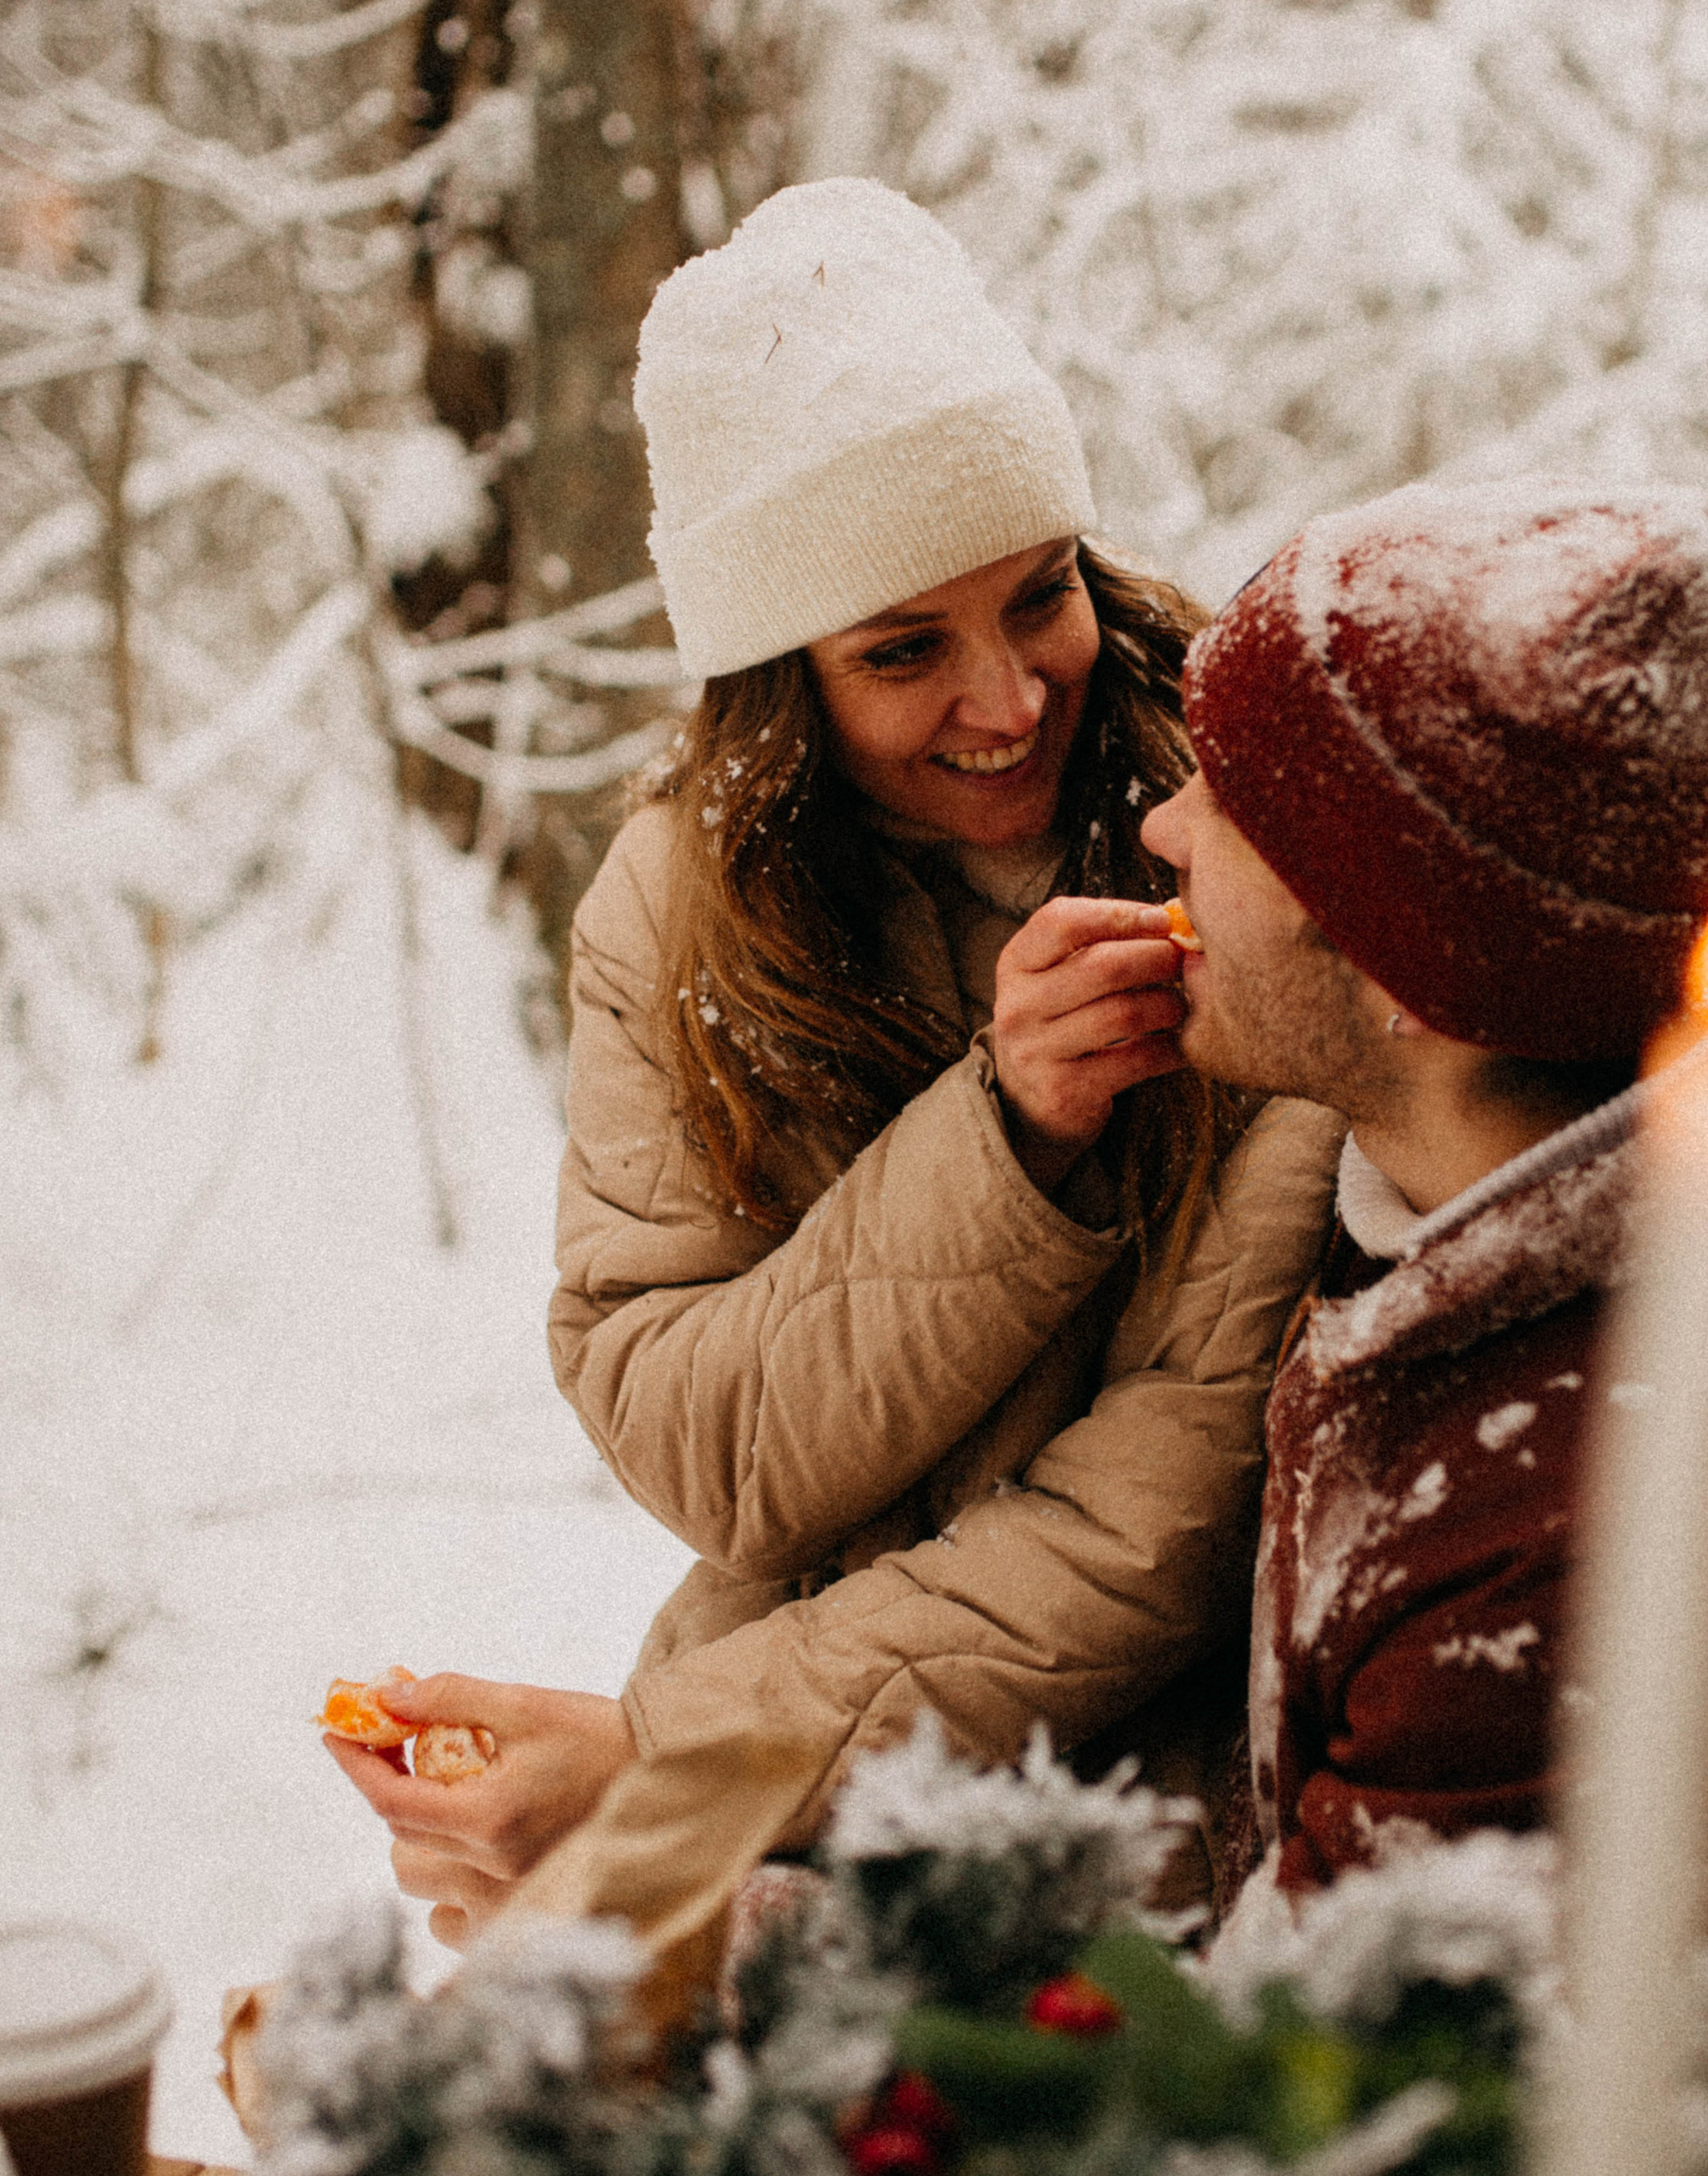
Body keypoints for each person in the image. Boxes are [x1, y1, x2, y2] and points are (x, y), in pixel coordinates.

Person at [325, 178, 1342, 1955]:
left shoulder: (1231, 854)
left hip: (1117, 1806)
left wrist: (658, 1759)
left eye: (1038, 598)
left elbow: (1156, 1522)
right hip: (781, 1721)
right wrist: (1004, 1138)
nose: (1009, 698)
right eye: (899, 650)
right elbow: (700, 1434)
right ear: (778, 679)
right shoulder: (677, 912)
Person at [1139, 476, 1708, 2054]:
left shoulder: (1564, 1542)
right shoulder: (1536, 1266)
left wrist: (757, 1929)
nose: (1163, 829)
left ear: (1406, 971)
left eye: (1234, 805)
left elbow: (1264, 2096)